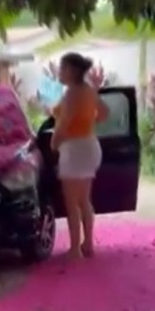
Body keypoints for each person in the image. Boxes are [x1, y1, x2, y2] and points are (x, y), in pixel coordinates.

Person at [49, 53, 109, 258]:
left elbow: (64, 124)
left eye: (62, 68)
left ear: (72, 71)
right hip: (90, 145)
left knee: (72, 202)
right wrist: (87, 121)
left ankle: (75, 249)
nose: (59, 71)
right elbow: (104, 113)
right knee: (84, 200)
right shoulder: (89, 91)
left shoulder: (71, 94)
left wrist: (54, 142)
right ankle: (88, 244)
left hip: (74, 149)